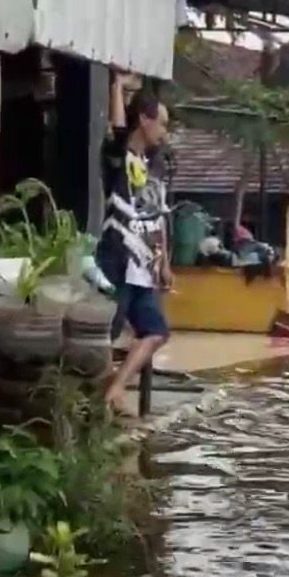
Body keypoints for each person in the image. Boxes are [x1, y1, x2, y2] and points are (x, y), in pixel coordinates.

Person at [97, 75, 172, 413]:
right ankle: (99, 396)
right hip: (118, 259)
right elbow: (117, 131)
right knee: (107, 333)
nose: (165, 131)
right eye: (162, 123)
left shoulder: (154, 166)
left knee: (156, 331)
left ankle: (115, 388)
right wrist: (116, 86)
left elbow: (159, 216)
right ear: (144, 119)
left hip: (146, 267)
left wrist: (165, 262)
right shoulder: (119, 157)